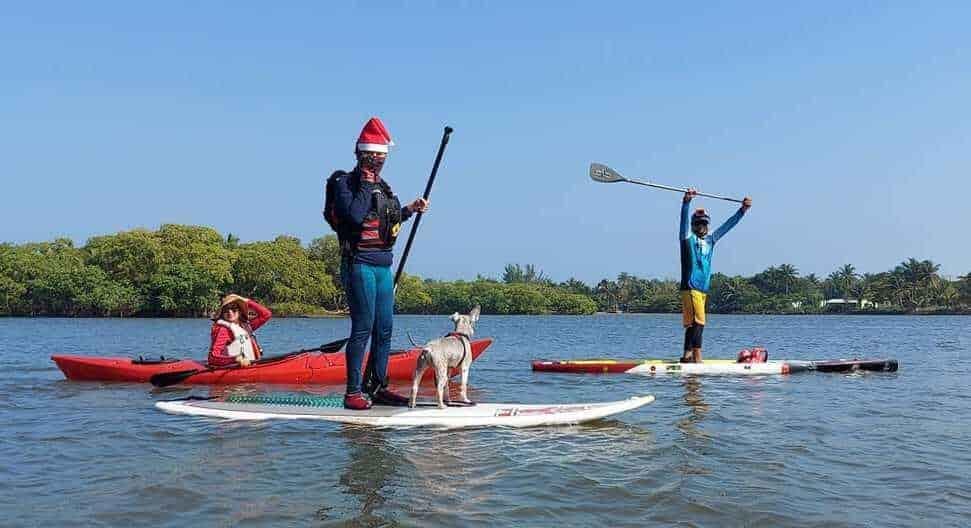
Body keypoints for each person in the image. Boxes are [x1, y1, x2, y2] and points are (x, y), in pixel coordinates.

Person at [331, 117, 428, 410]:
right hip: (359, 263)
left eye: (382, 157)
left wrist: (410, 209)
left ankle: (378, 387)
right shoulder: (343, 183)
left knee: (384, 328)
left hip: (383, 266)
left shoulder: (383, 188)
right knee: (363, 327)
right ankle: (353, 393)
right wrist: (365, 182)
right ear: (361, 155)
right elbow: (356, 215)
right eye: (373, 156)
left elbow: (388, 218)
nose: (378, 162)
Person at [678, 190, 752, 363]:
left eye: (703, 224)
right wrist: (686, 202)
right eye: (697, 224)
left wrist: (742, 210)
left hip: (701, 289)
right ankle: (697, 357)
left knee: (692, 323)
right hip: (691, 286)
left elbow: (728, 225)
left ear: (708, 225)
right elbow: (682, 223)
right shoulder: (687, 239)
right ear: (693, 225)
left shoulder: (711, 240)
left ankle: (687, 355)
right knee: (699, 322)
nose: (701, 227)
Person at [208, 294, 272, 368]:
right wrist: (235, 359)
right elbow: (212, 358)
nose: (230, 312)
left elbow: (266, 314)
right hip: (233, 368)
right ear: (222, 313)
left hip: (251, 366)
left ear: (240, 311)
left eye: (234, 309)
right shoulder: (223, 330)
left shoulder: (246, 326)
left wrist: (246, 300)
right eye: (226, 310)